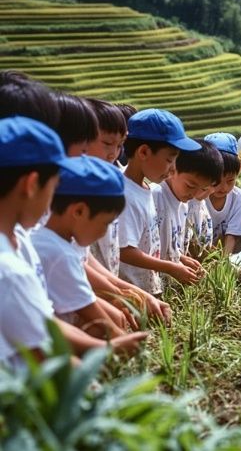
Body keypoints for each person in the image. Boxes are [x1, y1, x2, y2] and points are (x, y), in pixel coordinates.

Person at [0, 116, 146, 369]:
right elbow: (42, 351)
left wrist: (106, 348)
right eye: (55, 187)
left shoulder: (21, 242)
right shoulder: (10, 270)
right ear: (32, 184)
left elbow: (42, 319)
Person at [86, 98, 171, 324]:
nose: (113, 153)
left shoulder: (114, 185)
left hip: (110, 290)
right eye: (106, 143)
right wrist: (122, 294)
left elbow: (81, 258)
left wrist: (123, 293)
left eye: (119, 144)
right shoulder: (114, 191)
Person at [31, 155, 129, 338]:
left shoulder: (41, 237)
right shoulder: (61, 253)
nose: (103, 233)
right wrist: (123, 339)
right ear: (79, 211)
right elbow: (91, 309)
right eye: (105, 224)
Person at [117, 108, 203, 294]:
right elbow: (125, 251)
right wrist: (170, 267)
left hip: (145, 288)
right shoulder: (125, 194)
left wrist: (178, 259)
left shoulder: (144, 189)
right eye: (169, 160)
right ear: (144, 152)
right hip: (131, 292)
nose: (173, 169)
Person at [152, 139, 223, 277]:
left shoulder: (183, 205)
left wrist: (181, 259)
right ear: (173, 169)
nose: (195, 194)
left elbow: (171, 246)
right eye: (190, 186)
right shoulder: (156, 196)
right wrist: (173, 266)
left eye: (203, 188)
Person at [204, 132, 241, 254]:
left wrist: (224, 263)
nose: (223, 187)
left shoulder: (237, 197)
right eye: (216, 181)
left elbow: (232, 235)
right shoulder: (197, 197)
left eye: (230, 181)